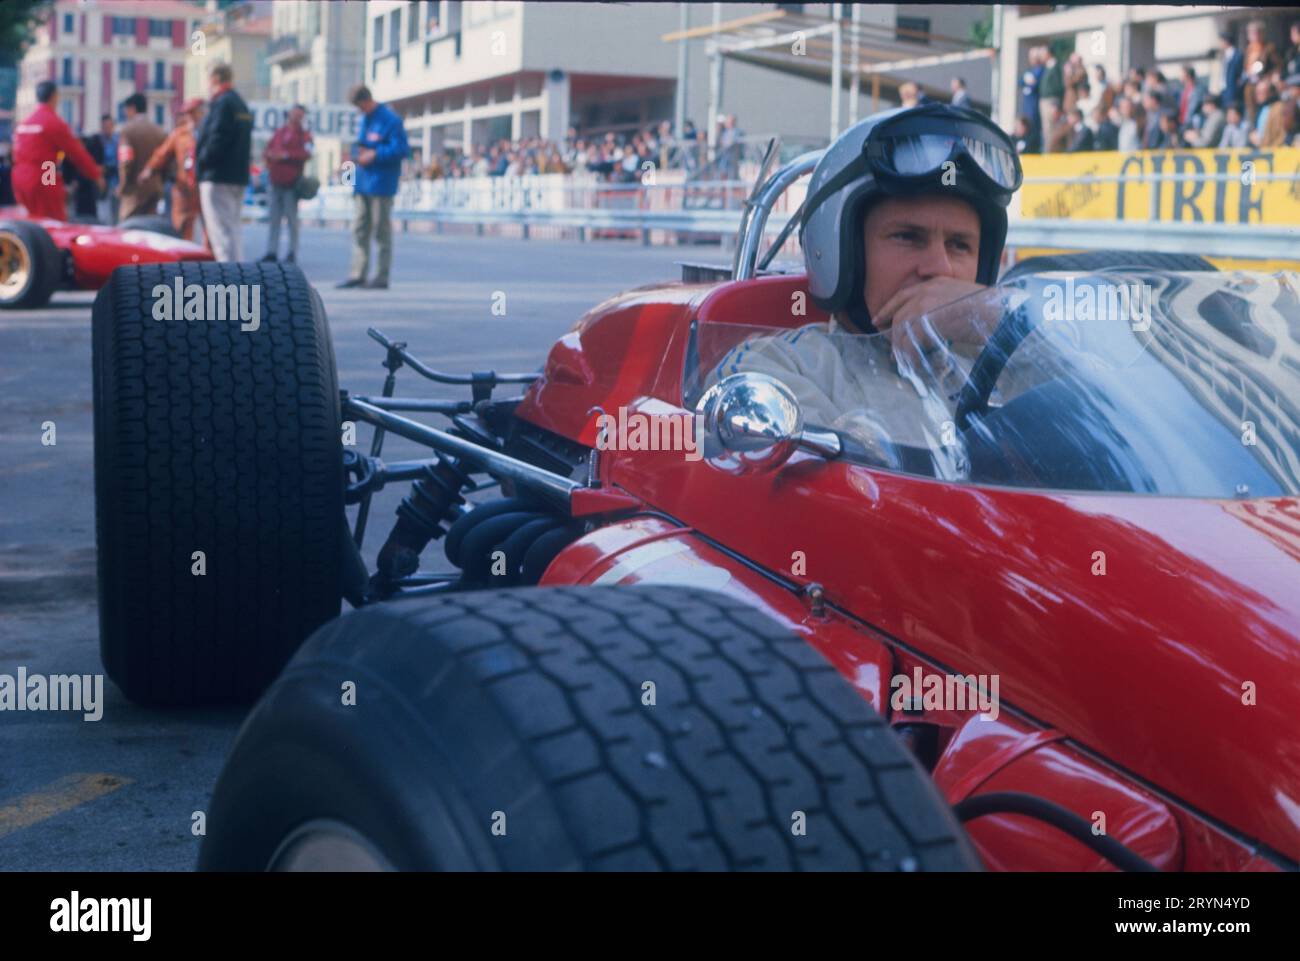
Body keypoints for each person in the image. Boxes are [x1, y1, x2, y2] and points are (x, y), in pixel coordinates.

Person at [716, 102, 1025, 450]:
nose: (940, 268)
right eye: (908, 237)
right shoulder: (779, 369)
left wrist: (996, 317)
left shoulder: (1009, 364)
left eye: (959, 245)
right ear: (843, 252)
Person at [337, 84, 409, 289]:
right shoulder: (365, 120)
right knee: (359, 229)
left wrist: (375, 154)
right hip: (363, 183)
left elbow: (401, 149)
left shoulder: (390, 120)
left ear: (367, 101)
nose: (360, 111)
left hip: (381, 184)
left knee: (381, 230)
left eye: (361, 107)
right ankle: (357, 273)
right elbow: (360, 145)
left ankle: (381, 276)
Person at [11, 81, 103, 220]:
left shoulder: (24, 124)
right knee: (54, 221)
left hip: (20, 176)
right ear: (54, 96)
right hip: (47, 172)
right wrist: (95, 174)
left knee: (30, 222)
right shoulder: (53, 122)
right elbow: (76, 152)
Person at [194, 63, 252, 262]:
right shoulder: (240, 103)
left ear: (215, 79)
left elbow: (217, 137)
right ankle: (237, 274)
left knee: (220, 231)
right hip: (237, 176)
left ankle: (228, 277)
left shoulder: (221, 103)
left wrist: (202, 163)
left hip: (217, 176)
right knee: (233, 228)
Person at [138, 99, 205, 242]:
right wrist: (150, 169)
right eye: (188, 114)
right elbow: (162, 153)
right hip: (184, 187)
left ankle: (209, 256)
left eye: (195, 113)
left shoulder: (208, 132)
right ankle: (184, 254)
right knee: (181, 223)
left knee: (208, 225)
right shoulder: (180, 134)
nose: (192, 117)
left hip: (203, 186)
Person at [261, 104, 313, 264]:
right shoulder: (279, 133)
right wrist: (270, 156)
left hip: (291, 183)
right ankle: (272, 251)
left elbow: (307, 153)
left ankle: (292, 252)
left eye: (300, 115)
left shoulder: (305, 136)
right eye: (294, 114)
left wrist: (286, 155)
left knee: (292, 219)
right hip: (275, 180)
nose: (296, 117)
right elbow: (267, 151)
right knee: (274, 218)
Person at [116, 93, 167, 222]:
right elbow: (167, 161)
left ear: (132, 108)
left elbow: (126, 161)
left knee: (129, 231)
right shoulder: (159, 131)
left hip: (134, 193)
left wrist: (123, 186)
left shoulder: (127, 131)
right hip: (154, 191)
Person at [92, 115, 118, 224]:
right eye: (105, 126)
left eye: (109, 126)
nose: (107, 128)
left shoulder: (118, 140)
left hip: (115, 181)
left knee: (115, 212)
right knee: (103, 212)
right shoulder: (97, 141)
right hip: (102, 181)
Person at [1038, 48, 1065, 151]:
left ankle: (1050, 150)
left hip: (1052, 100)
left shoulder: (1056, 66)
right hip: (1044, 100)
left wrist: (1056, 104)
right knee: (1046, 128)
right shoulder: (1047, 66)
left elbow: (1058, 85)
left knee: (1051, 127)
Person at [1219, 31, 1244, 109]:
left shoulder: (1237, 54)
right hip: (1224, 90)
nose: (1220, 44)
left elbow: (1240, 72)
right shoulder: (1224, 55)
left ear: (1226, 41)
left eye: (1221, 41)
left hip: (1233, 90)